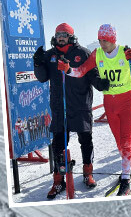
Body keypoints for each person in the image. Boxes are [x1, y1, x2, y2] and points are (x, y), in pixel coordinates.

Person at [64, 24, 131, 196]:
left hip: (126, 101)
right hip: (110, 102)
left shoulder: (125, 51)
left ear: (113, 39)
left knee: (125, 140)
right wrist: (68, 70)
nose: (102, 44)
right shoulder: (97, 54)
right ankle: (127, 164)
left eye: (105, 40)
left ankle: (125, 179)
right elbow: (81, 71)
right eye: (100, 40)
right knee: (118, 142)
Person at [32, 23, 98, 199]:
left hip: (80, 104)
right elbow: (42, 77)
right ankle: (58, 180)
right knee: (59, 144)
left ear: (71, 36)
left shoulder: (82, 53)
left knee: (86, 139)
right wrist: (37, 63)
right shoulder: (50, 55)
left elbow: (93, 74)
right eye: (58, 34)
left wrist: (102, 84)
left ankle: (87, 172)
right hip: (59, 107)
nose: (61, 36)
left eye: (64, 34)